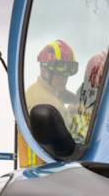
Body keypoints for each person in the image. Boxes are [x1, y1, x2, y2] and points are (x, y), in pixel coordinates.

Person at [20, 39, 81, 167]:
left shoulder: (36, 90)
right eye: (59, 74)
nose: (64, 79)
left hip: (38, 169)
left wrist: (74, 102)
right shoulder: (48, 102)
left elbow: (63, 95)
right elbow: (72, 143)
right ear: (44, 70)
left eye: (67, 74)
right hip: (45, 170)